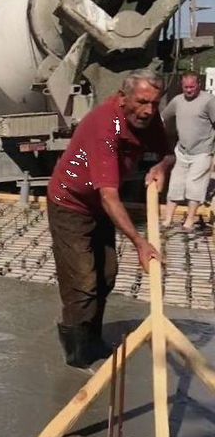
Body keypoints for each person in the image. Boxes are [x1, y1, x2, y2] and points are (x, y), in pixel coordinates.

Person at [47, 69, 175, 369]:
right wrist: (140, 242)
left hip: (99, 204)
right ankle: (77, 352)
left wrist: (163, 165)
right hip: (71, 202)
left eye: (155, 104)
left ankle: (92, 338)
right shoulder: (107, 126)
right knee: (82, 280)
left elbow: (168, 151)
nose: (148, 111)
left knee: (106, 273)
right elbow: (110, 197)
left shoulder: (148, 117)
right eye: (143, 102)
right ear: (123, 97)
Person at [161, 73, 215, 232]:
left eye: (192, 87)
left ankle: (189, 222)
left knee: (194, 186)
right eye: (186, 87)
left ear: (199, 85)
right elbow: (163, 117)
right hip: (182, 151)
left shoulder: (209, 101)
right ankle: (167, 220)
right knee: (175, 185)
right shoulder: (177, 101)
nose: (189, 90)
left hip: (202, 151)